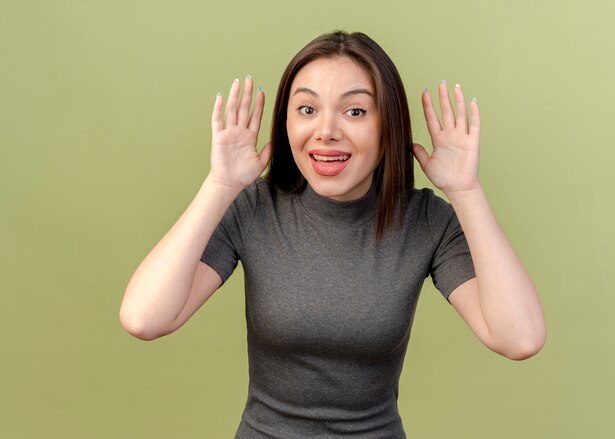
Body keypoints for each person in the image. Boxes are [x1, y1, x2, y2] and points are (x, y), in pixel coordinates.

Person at [120, 31, 546, 438]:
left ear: (388, 126)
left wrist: (465, 191)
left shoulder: (426, 222)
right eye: (307, 109)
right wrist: (220, 186)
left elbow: (520, 338)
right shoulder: (252, 209)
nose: (326, 130)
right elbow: (144, 318)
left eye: (355, 111)